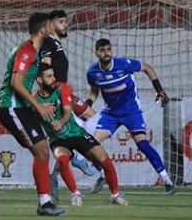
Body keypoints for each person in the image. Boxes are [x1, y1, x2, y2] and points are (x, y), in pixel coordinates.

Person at [85, 38, 175, 195]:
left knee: (143, 145)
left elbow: (147, 68)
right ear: (96, 53)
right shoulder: (92, 72)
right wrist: (87, 104)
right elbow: (94, 91)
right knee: (88, 145)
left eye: (108, 49)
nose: (106, 53)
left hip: (131, 111)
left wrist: (159, 90)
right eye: (102, 50)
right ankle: (103, 174)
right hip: (111, 113)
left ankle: (167, 180)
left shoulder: (124, 64)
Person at [0, 12, 65, 216]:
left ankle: (45, 202)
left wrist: (37, 105)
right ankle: (45, 203)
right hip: (12, 107)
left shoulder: (33, 51)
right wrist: (38, 106)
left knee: (42, 150)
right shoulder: (27, 51)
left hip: (22, 107)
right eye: (50, 26)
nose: (52, 29)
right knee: (41, 150)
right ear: (43, 30)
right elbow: (16, 82)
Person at [35, 63, 127, 206]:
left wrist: (60, 122)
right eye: (49, 76)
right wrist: (39, 109)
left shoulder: (61, 88)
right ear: (39, 80)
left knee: (105, 161)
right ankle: (76, 194)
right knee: (62, 160)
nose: (53, 79)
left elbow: (67, 111)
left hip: (77, 134)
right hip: (57, 140)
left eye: (53, 75)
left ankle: (115, 195)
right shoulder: (34, 101)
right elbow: (27, 116)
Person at [38, 10, 96, 199]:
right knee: (89, 119)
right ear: (51, 24)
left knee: (93, 118)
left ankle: (56, 173)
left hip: (64, 91)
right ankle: (79, 156)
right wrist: (52, 91)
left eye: (66, 21)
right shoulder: (48, 42)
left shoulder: (55, 43)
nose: (65, 25)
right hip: (59, 93)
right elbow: (45, 67)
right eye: (61, 22)